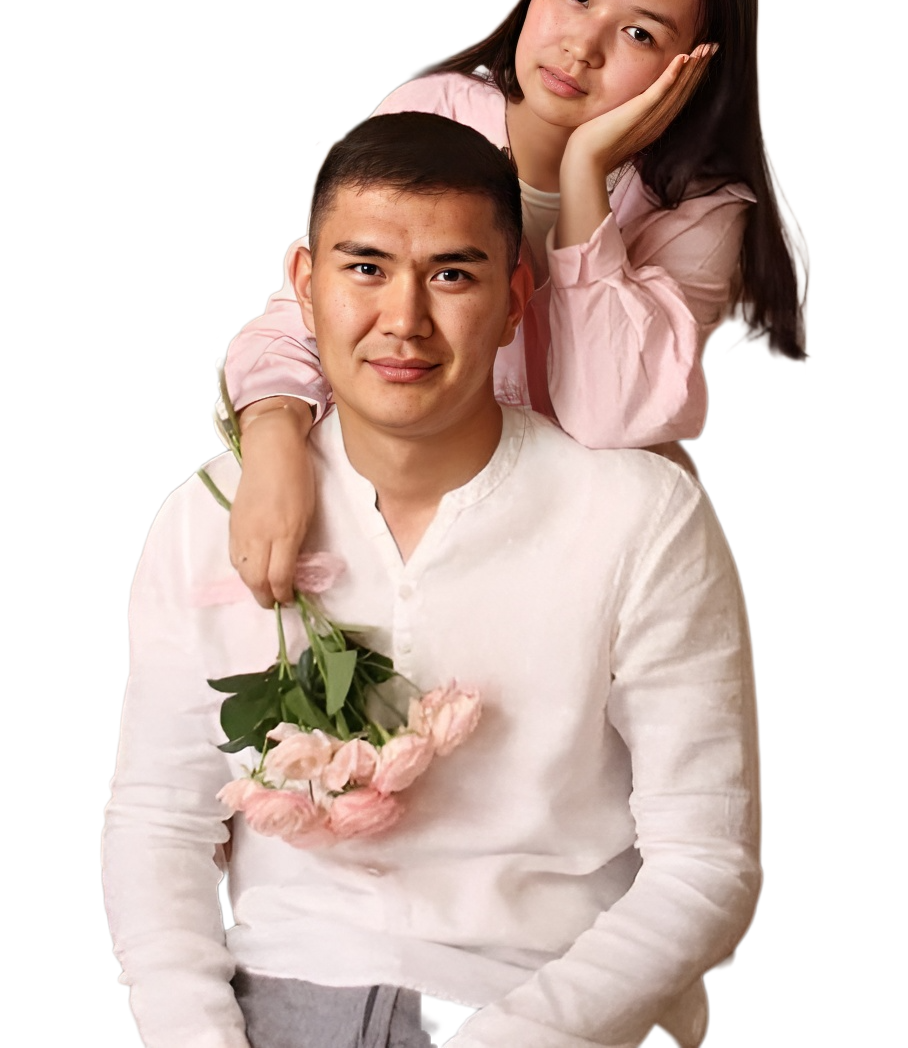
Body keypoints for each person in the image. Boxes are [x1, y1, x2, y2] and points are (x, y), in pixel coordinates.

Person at [102, 113, 762, 1048]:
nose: (404, 321)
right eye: (366, 269)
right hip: (279, 997)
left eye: (452, 274)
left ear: (516, 298)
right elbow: (160, 821)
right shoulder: (209, 515)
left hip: (538, 1005)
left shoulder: (639, 517)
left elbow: (706, 863)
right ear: (306, 286)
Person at [222, 0, 811, 606]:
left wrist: (584, 171)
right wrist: (274, 445)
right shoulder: (434, 111)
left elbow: (610, 418)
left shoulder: (697, 211)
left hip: (578, 545)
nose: (581, 47)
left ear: (692, 69)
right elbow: (315, 312)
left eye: (640, 34)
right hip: (406, 500)